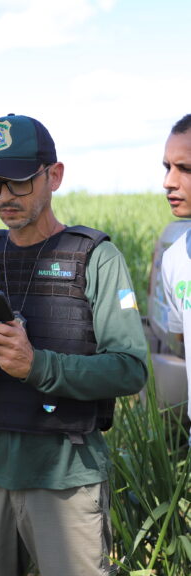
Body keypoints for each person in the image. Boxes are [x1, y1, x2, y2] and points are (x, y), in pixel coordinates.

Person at [0, 113, 148, 576]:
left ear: (55, 175)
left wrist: (37, 366)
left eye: (19, 181)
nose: (5, 196)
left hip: (64, 473)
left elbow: (130, 369)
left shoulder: (94, 256)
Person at [161, 114, 191, 438]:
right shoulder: (174, 260)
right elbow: (182, 342)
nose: (169, 181)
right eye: (167, 167)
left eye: (185, 169)